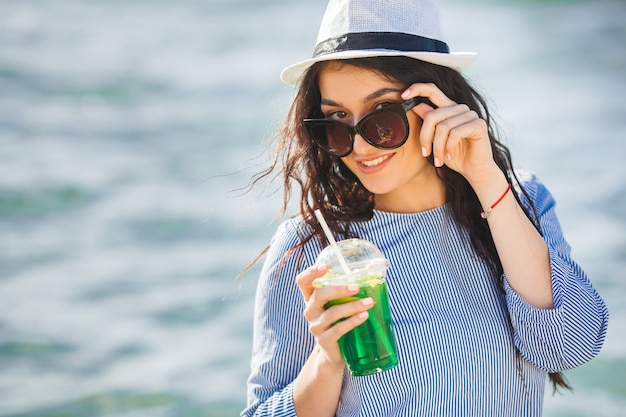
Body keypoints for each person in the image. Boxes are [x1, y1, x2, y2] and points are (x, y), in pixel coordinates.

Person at [241, 0, 609, 416]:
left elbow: (568, 346)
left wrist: (487, 181)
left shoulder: (519, 198)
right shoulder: (312, 248)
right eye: (337, 121)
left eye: (382, 117)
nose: (359, 145)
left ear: (435, 104)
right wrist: (326, 362)